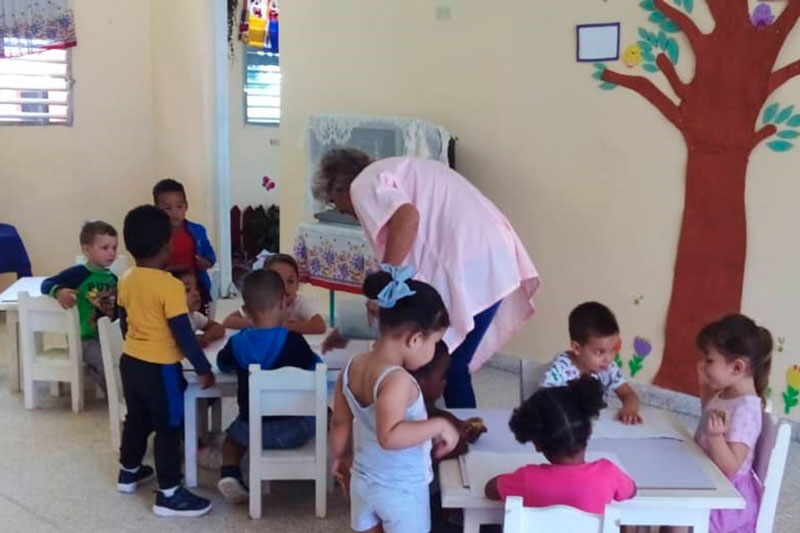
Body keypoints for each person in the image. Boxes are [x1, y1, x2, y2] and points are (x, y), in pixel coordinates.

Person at [313, 148, 539, 408]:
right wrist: (348, 329)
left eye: (334, 203)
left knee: (448, 364)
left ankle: (457, 436)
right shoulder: (394, 169)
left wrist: (387, 279)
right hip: (489, 257)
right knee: (446, 362)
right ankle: (445, 432)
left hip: (475, 261)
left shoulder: (363, 182)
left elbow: (407, 218)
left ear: (340, 188)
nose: (343, 212)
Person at [330, 266, 461, 533]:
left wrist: (340, 457)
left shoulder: (352, 366)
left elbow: (340, 422)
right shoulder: (397, 380)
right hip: (400, 489)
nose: (434, 350)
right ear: (415, 339)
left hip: (363, 480)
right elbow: (389, 435)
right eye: (434, 342)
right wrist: (440, 426)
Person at [116, 205, 215, 517]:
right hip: (161, 369)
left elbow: (124, 321)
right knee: (169, 426)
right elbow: (184, 335)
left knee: (137, 418)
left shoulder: (127, 279)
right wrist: (203, 368)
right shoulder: (169, 286)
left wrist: (137, 345)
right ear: (166, 245)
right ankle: (169, 493)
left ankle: (129, 472)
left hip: (131, 361)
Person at [215, 269, 319, 504]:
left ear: (248, 312)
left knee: (231, 439)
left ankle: (230, 473)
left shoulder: (238, 342)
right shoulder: (294, 341)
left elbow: (222, 364)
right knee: (327, 413)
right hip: (296, 429)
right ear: (284, 303)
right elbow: (316, 370)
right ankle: (333, 467)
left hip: (251, 431)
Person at [674, 314, 771, 533]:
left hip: (725, 498)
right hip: (709, 478)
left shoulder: (746, 410)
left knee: (677, 516)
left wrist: (716, 437)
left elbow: (730, 466)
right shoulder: (727, 392)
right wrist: (705, 387)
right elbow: (709, 414)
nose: (703, 365)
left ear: (737, 368)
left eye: (709, 360)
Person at [485, 376, 637, 513]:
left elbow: (490, 490)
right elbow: (632, 491)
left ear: (537, 444)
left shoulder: (527, 479)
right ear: (590, 431)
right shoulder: (608, 473)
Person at [41, 221, 119, 393]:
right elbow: (46, 284)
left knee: (121, 360)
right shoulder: (78, 274)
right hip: (84, 338)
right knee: (106, 362)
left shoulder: (113, 278)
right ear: (86, 250)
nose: (111, 253)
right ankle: (116, 398)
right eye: (105, 248)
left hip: (107, 335)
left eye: (114, 247)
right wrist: (59, 291)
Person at [540, 302, 642, 424]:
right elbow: (542, 398)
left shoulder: (608, 368)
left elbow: (628, 393)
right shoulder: (561, 369)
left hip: (598, 428)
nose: (608, 358)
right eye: (600, 352)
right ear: (577, 348)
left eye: (613, 350)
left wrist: (630, 409)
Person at [153, 178, 216, 312]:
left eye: (179, 206)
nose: (174, 212)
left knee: (199, 321)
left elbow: (211, 255)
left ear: (186, 206)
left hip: (195, 287)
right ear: (157, 209)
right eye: (167, 208)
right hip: (166, 290)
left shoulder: (198, 231)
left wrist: (206, 262)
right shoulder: (156, 235)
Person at [222, 253, 326, 335]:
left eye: (290, 281)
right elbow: (228, 321)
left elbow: (319, 325)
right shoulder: (261, 302)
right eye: (278, 281)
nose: (285, 287)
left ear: (298, 284)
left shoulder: (300, 303)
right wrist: (257, 323)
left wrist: (281, 326)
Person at [172, 270, 225, 347]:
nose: (196, 293)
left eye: (196, 288)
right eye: (187, 290)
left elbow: (219, 328)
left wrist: (206, 337)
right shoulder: (165, 322)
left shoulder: (194, 316)